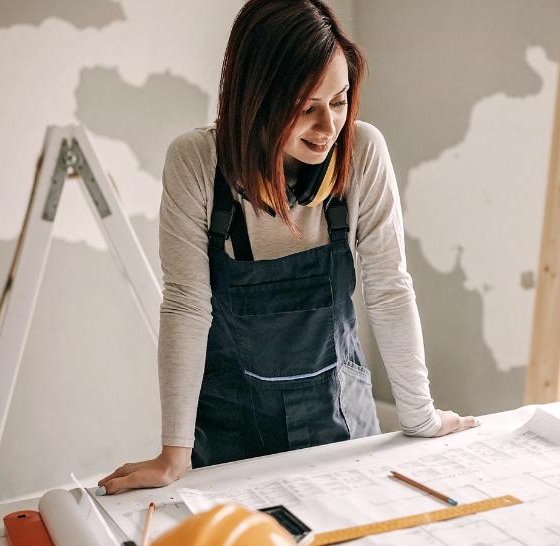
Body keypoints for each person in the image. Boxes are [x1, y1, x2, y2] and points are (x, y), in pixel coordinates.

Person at [99, 0, 477, 495]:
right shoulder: (196, 163)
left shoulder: (362, 153)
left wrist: (420, 417)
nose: (329, 127)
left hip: (338, 424)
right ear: (256, 99)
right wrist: (173, 455)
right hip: (229, 431)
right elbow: (187, 306)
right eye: (305, 109)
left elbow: (389, 289)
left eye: (339, 102)